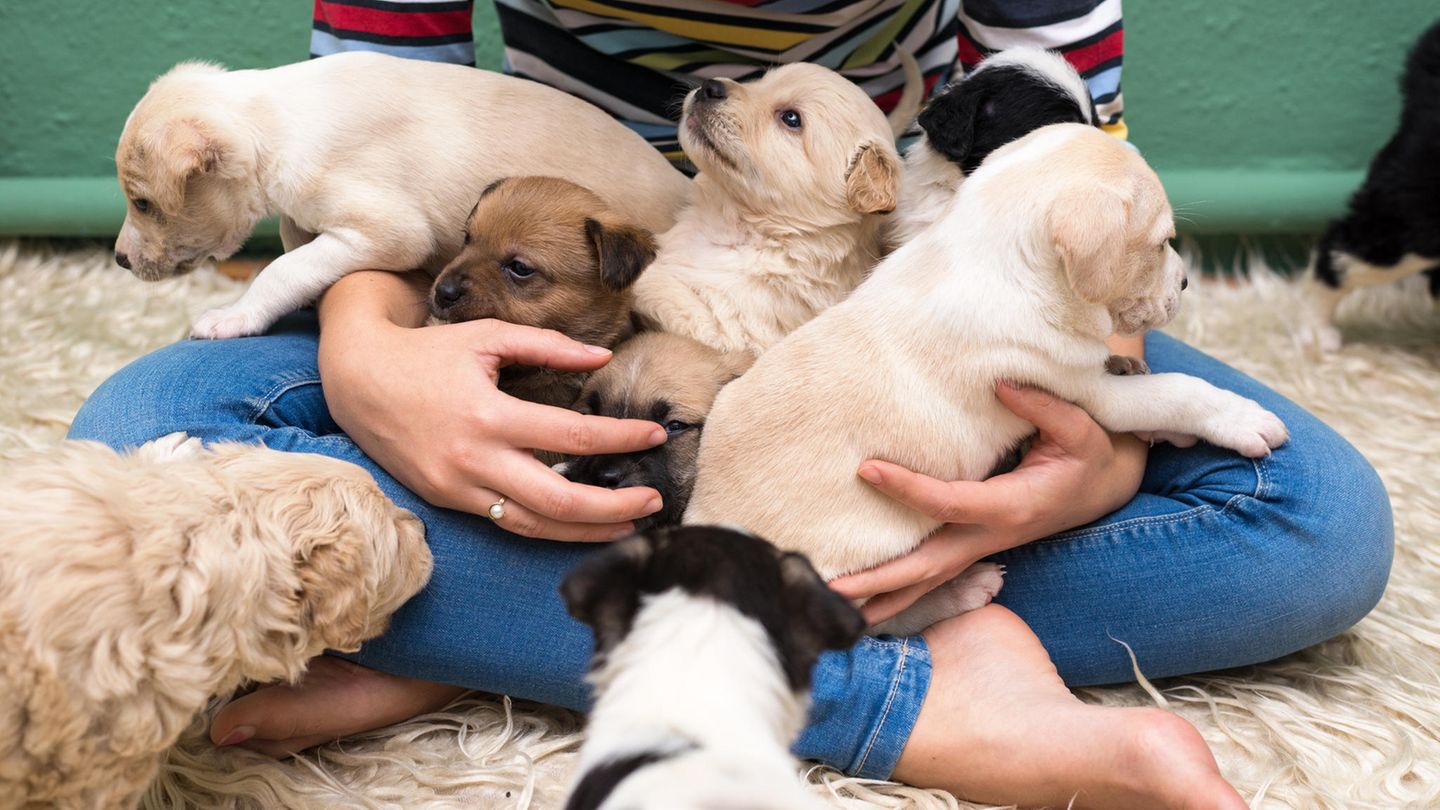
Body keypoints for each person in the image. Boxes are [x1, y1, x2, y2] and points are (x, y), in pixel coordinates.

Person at [68, 2, 1393, 807]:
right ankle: (918, 679)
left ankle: (480, 629)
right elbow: (361, 113)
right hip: (524, 278)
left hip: (907, 316)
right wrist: (372, 362)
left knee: (1318, 519)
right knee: (147, 419)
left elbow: (1074, 187)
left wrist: (1082, 460)